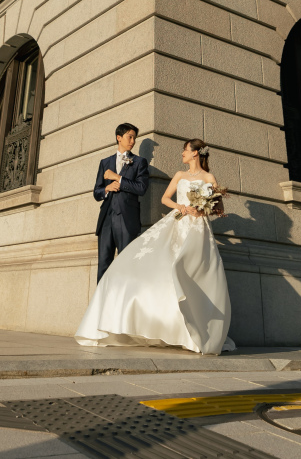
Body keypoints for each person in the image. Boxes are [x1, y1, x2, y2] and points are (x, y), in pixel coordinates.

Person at [76, 138, 234, 355]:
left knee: (196, 274)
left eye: (185, 150)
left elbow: (219, 208)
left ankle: (197, 331)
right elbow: (165, 199)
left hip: (199, 230)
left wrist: (203, 209)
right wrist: (182, 207)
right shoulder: (179, 175)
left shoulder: (209, 178)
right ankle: (169, 326)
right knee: (166, 268)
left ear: (195, 153)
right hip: (179, 223)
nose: (182, 154)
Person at [93, 123, 149, 282]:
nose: (133, 141)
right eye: (129, 137)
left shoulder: (139, 162)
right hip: (106, 220)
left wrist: (119, 178)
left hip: (126, 219)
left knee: (126, 264)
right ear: (119, 137)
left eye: (134, 138)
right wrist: (106, 189)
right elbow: (96, 192)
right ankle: (102, 303)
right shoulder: (105, 162)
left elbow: (142, 188)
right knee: (103, 263)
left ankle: (124, 303)